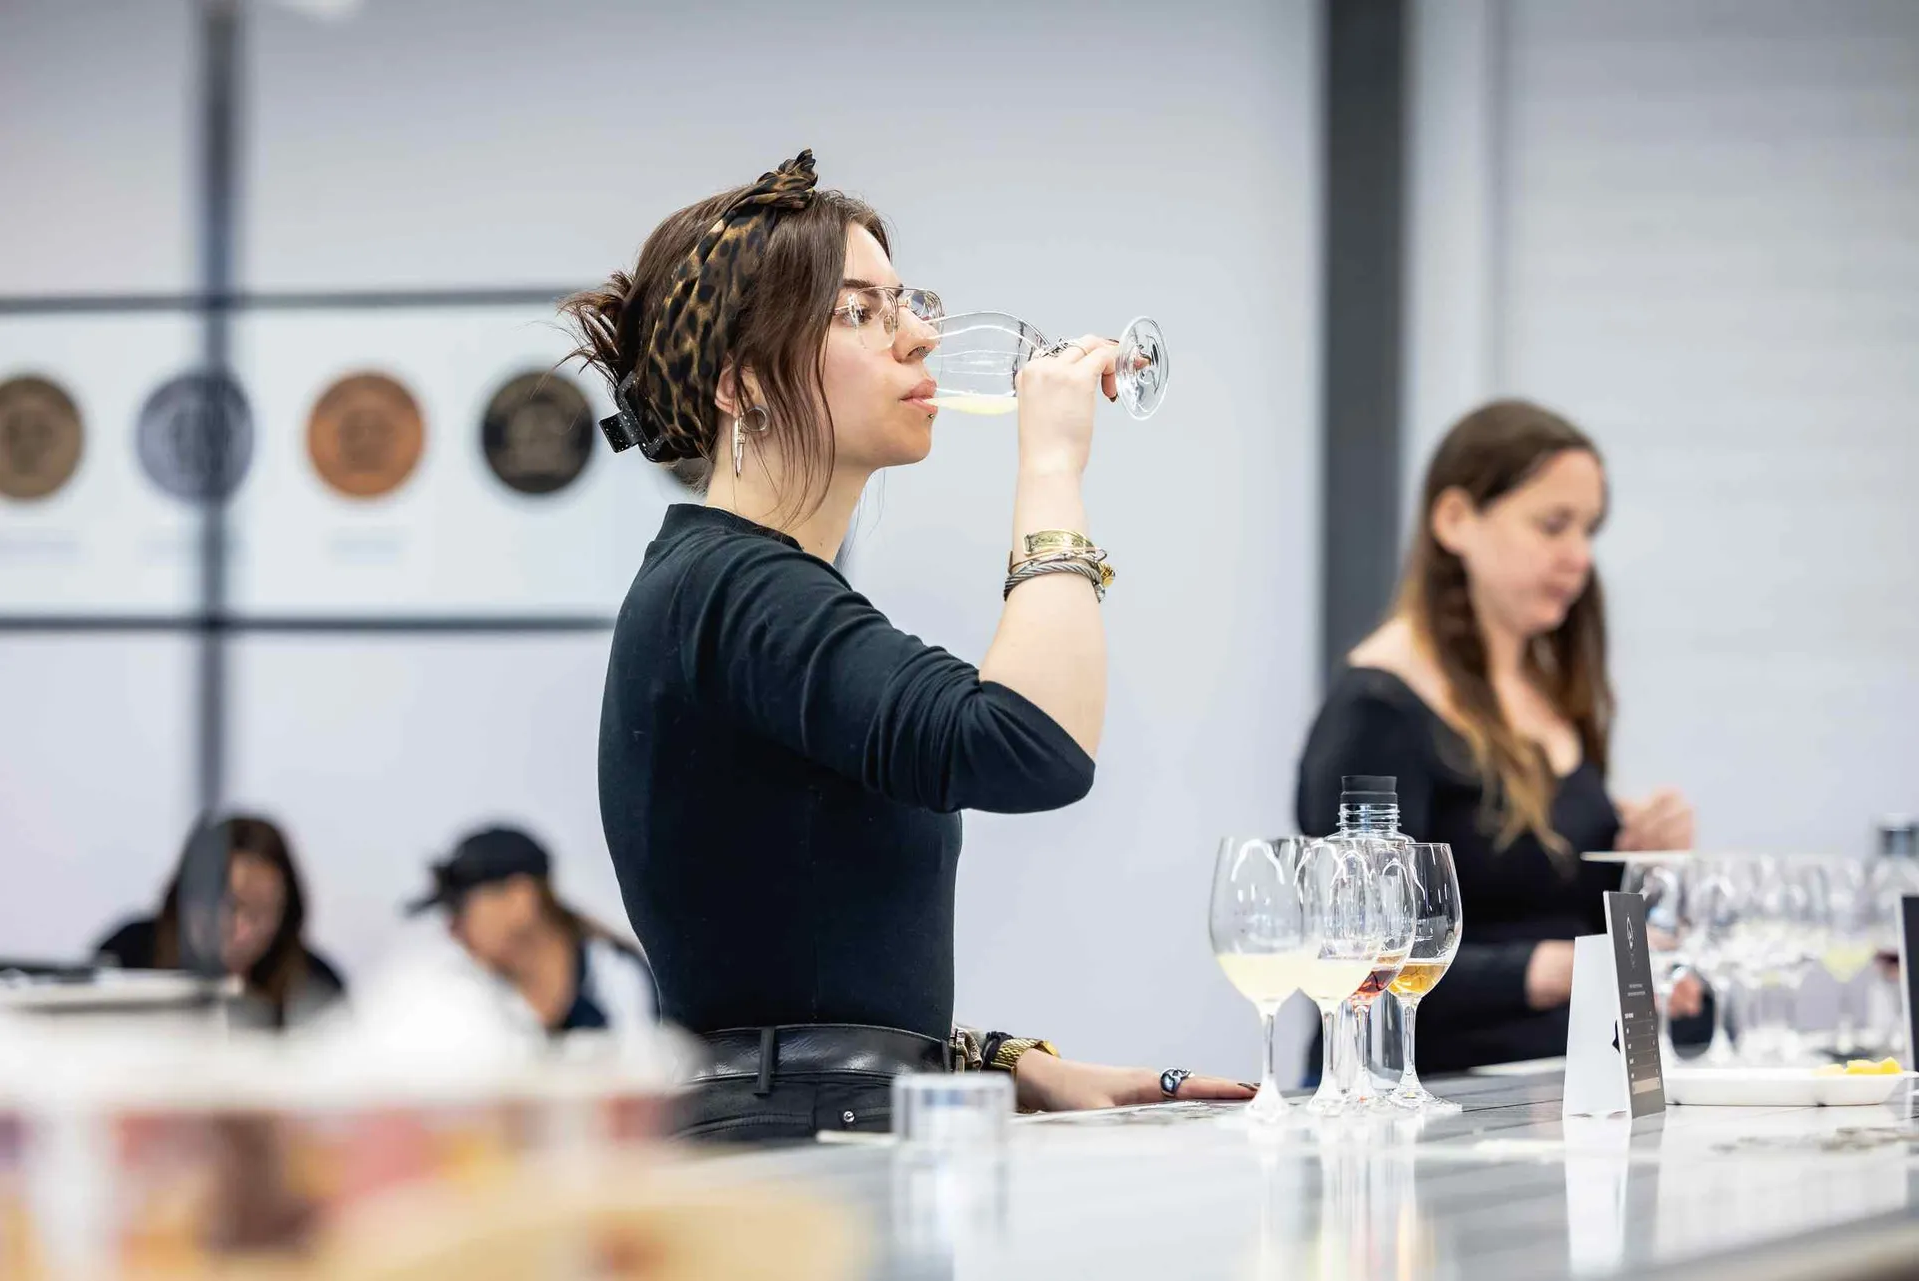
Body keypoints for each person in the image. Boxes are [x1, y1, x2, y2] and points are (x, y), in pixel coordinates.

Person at [566, 149, 1247, 1141]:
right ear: (744, 382)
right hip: (795, 1162)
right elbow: (1030, 743)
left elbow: (792, 960)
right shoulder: (733, 588)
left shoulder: (737, 587)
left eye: (908, 301)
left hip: (803, 1132)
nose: (921, 336)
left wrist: (993, 1062)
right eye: (861, 313)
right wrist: (1052, 466)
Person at [1295, 399, 1701, 1073]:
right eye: (1552, 524)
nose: (1579, 556)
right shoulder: (1379, 705)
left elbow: (1561, 905)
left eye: (1589, 529)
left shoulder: (1553, 696)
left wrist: (1646, 865)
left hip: (1557, 1085)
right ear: (1455, 520)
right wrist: (1556, 967)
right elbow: (1353, 959)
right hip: (1421, 1099)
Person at [95, 814, 346, 1030]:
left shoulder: (316, 985)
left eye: (262, 913)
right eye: (231, 907)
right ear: (188, 896)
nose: (244, 931)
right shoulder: (126, 957)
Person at [405, 825, 657, 1035]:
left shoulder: (616, 980)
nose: (452, 930)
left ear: (520, 898)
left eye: (460, 909)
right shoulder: (471, 1001)